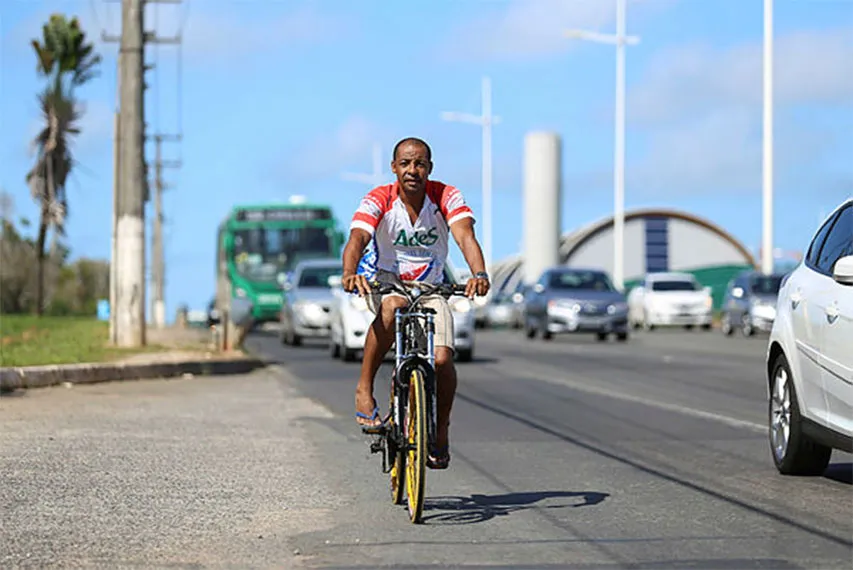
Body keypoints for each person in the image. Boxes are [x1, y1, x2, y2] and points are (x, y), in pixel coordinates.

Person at [341, 137, 490, 470]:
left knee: (440, 360)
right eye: (405, 163)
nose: (412, 170)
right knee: (392, 307)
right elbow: (357, 239)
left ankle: (440, 429)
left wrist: (478, 272)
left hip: (430, 287)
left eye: (420, 163)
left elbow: (465, 236)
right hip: (387, 281)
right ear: (394, 168)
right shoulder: (379, 198)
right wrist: (350, 273)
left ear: (429, 169)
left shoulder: (446, 196)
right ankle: (364, 388)